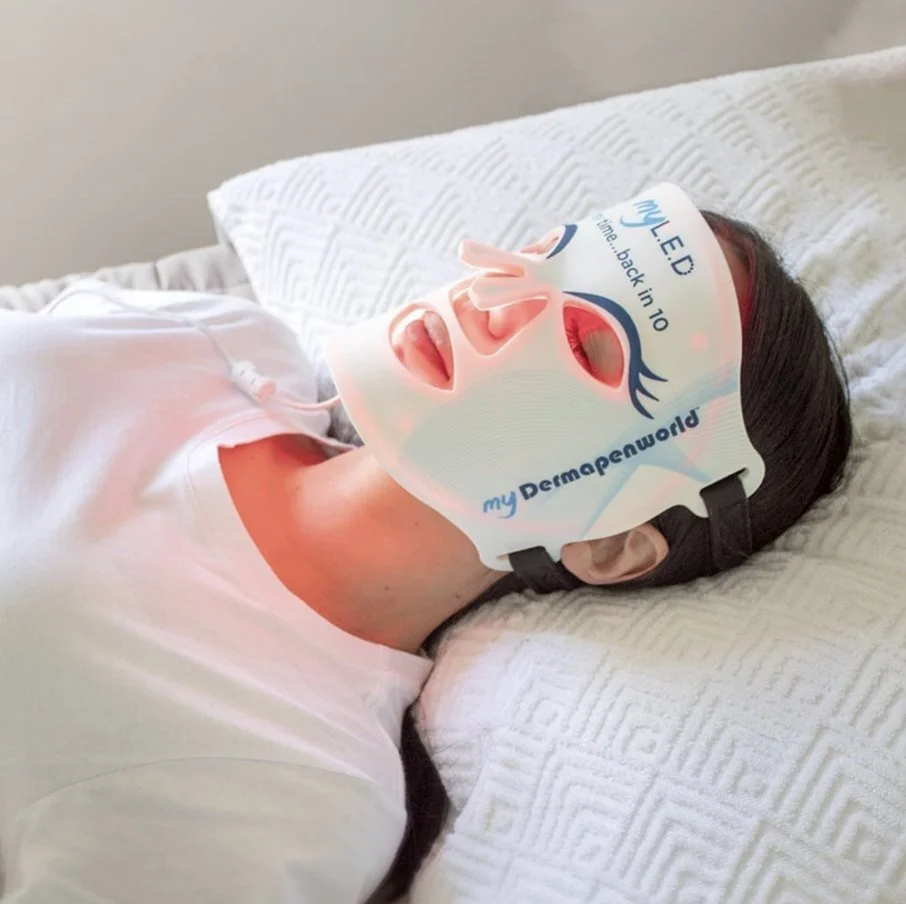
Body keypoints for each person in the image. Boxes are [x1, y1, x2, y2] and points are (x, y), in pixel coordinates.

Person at [0, 187, 851, 904]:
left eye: (592, 346)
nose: (500, 300)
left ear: (612, 546)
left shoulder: (289, 775)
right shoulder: (224, 341)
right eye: (546, 256)